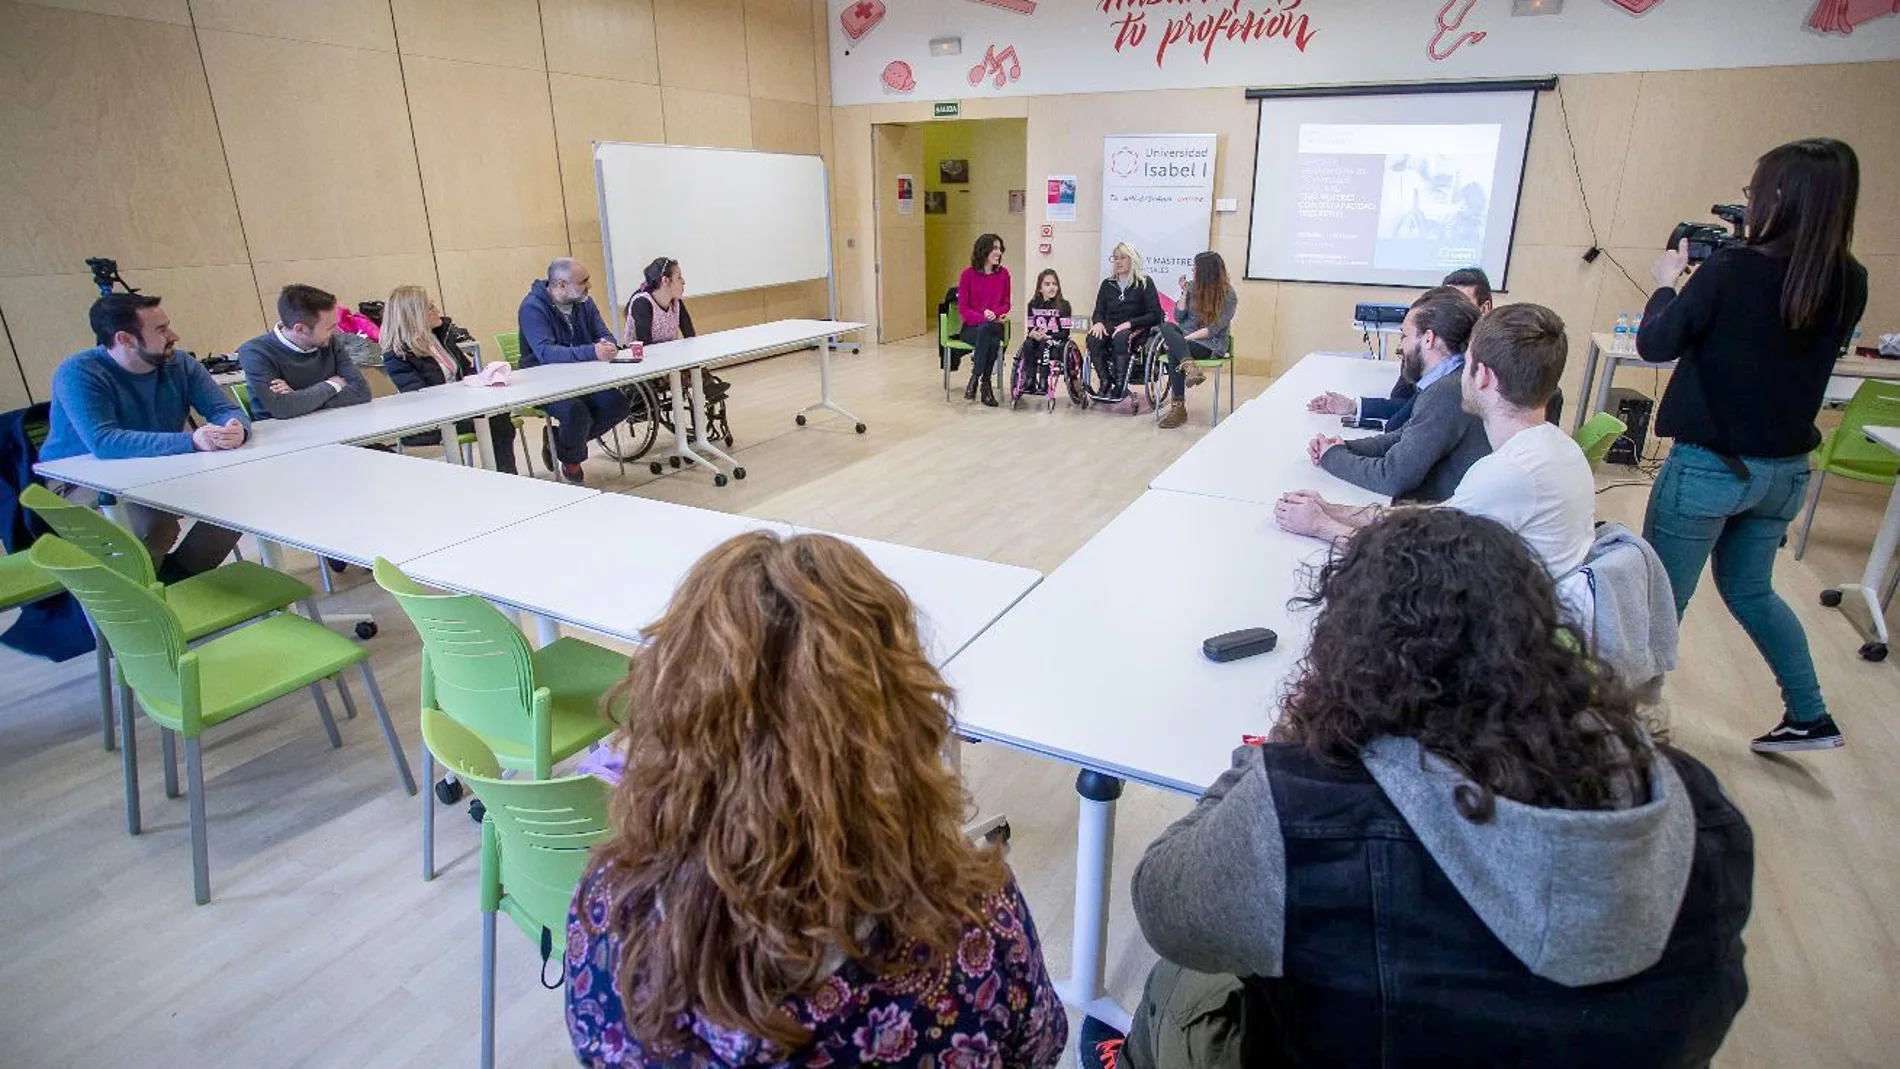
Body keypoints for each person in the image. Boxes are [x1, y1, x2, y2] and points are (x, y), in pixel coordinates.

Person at [1079, 508, 1753, 1069]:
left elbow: (1162, 902)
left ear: (1346, 654)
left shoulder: (1304, 814)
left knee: (1181, 975)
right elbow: (1714, 1002)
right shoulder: (1695, 807)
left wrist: (1278, 748)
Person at [565, 531, 1067, 1067]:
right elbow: (1038, 1047)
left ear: (673, 713)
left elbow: (590, 1045)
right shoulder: (976, 925)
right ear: (900, 726)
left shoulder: (612, 910)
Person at [1639, 137, 1868, 754]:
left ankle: (1631, 727)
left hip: (1711, 469)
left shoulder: (1732, 270)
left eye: (1752, 192)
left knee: (1660, 600)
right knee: (1752, 591)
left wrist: (1667, 282)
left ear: (1779, 197)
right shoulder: (1849, 279)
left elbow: (1656, 344)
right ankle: (1810, 714)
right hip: (1785, 473)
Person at [1277, 304, 1595, 589]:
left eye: (1465, 363)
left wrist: (1321, 526)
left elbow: (1411, 558)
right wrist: (1332, 509)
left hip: (1503, 634)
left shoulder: (1508, 473)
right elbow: (1437, 516)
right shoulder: (1559, 448)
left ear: (1482, 375)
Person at [40, 293, 248, 581]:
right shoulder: (78, 372)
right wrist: (191, 441)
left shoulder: (180, 364)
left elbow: (224, 409)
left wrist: (235, 426)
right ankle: (142, 594)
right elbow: (104, 441)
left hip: (159, 467)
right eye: (160, 330)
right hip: (78, 481)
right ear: (125, 339)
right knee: (153, 522)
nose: (173, 335)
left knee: (242, 498)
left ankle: (174, 583)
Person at [1308, 289, 1488, 503]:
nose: (1400, 346)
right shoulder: (1454, 379)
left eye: (1404, 336)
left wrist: (1332, 457)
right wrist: (1343, 447)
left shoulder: (1447, 392)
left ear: (1428, 339)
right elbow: (1403, 436)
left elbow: (1392, 476)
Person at [1307, 269, 1489, 426]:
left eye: (1461, 303)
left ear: (1485, 309)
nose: (1451, 313)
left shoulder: (1483, 362)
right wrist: (1353, 407)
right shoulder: (1426, 347)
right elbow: (1402, 400)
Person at [379, 285, 517, 474]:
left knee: (499, 415)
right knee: (495, 422)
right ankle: (505, 477)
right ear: (414, 316)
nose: (437, 310)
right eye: (430, 307)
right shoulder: (397, 355)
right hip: (433, 419)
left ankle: (504, 476)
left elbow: (467, 371)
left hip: (462, 408)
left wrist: (486, 376)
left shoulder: (440, 337)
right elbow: (419, 396)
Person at [518, 257, 629, 484]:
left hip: (583, 378)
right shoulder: (532, 308)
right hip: (544, 382)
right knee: (576, 413)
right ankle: (572, 462)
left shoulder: (585, 302)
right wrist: (592, 352)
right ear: (561, 286)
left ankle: (562, 443)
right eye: (583, 281)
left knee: (618, 405)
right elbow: (546, 353)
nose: (589, 286)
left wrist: (608, 345)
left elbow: (604, 334)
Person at [236, 284, 372, 421]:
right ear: (300, 329)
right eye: (330, 327)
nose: (336, 331)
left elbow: (362, 392)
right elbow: (282, 408)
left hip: (331, 423)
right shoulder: (255, 352)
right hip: (282, 435)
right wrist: (333, 384)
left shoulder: (331, 342)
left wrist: (297, 398)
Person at [1155, 251, 1237, 430]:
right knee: (1165, 326)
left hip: (1209, 344)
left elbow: (1213, 329)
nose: (1192, 269)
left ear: (1206, 271)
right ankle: (1189, 367)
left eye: (1196, 266)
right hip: (1185, 339)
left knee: (1174, 351)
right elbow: (1178, 316)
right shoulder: (1192, 287)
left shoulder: (1228, 295)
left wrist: (1180, 341)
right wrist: (1184, 292)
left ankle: (1178, 408)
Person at [1087, 242, 1164, 402]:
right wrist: (1098, 322)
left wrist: (1130, 323)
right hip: (1110, 325)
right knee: (1093, 338)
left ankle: (1120, 385)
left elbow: (1156, 315)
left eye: (1123, 258)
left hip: (1136, 327)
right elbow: (1099, 310)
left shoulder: (1144, 283)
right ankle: (1105, 381)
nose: (1118, 262)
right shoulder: (1107, 284)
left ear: (1132, 260)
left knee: (1121, 337)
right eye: (1115, 258)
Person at [957, 233, 1011, 406]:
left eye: (999, 248)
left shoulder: (1003, 274)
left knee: (988, 331)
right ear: (983, 251)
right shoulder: (967, 275)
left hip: (994, 324)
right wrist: (983, 317)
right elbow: (963, 309)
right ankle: (985, 385)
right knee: (991, 340)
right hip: (972, 327)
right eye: (994, 248)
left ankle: (975, 377)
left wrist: (994, 314)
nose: (998, 253)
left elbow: (1006, 304)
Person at [1012, 268, 1072, 398]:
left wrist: (1048, 336)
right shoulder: (1032, 305)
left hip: (1057, 342)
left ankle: (1044, 381)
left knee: (1045, 342)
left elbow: (1065, 333)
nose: (1052, 287)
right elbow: (1030, 329)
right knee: (1027, 343)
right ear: (1040, 288)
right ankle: (1030, 379)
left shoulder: (1064, 305)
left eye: (1054, 284)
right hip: (1038, 341)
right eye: (1047, 284)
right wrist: (1032, 334)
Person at [622, 256, 695, 346]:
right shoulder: (642, 303)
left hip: (667, 354)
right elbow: (646, 347)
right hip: (640, 358)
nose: (683, 281)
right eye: (679, 277)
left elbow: (690, 336)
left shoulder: (676, 302)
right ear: (665, 280)